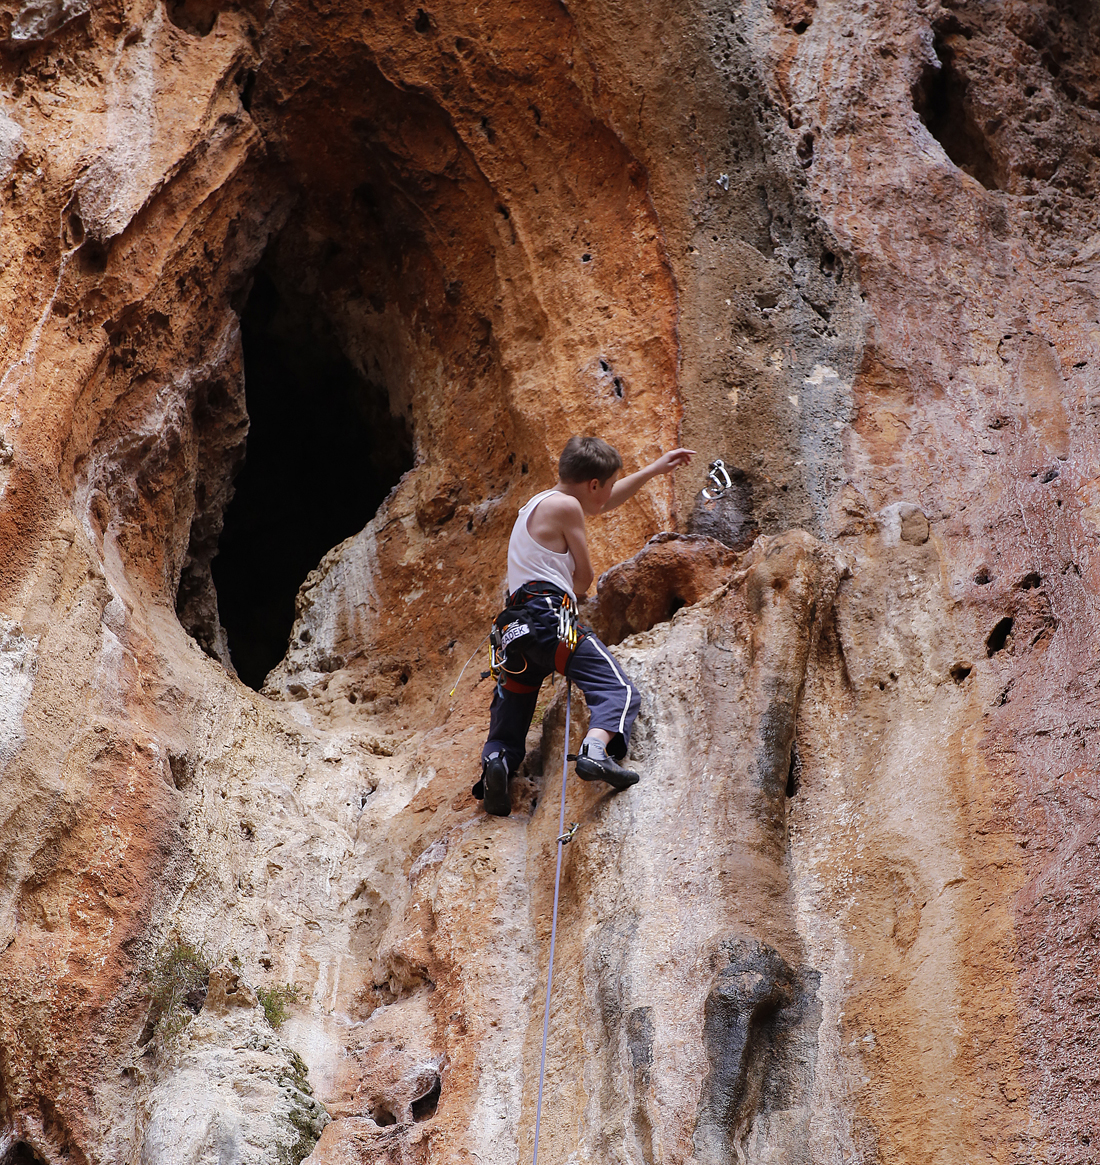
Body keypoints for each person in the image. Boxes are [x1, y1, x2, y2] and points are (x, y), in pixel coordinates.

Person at [475, 435, 695, 816]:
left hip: (513, 632)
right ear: (593, 483)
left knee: (509, 719)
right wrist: (573, 596)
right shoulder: (566, 507)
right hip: (549, 618)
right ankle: (596, 750)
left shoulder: (538, 504)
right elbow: (585, 576)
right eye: (606, 485)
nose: (606, 496)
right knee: (619, 690)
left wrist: (654, 469)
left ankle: (498, 764)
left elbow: (603, 500)